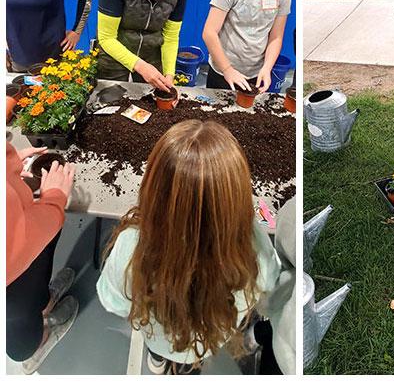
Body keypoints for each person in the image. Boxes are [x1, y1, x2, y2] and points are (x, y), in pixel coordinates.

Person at [97, 120, 281, 375]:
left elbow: (114, 301)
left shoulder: (130, 244)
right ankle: (184, 367)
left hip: (157, 336)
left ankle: (159, 360)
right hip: (208, 339)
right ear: (236, 194)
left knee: (161, 350)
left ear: (154, 187)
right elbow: (269, 281)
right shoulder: (254, 244)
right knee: (191, 359)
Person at [6, 140, 77, 374]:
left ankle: (43, 303)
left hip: (16, 256)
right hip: (8, 269)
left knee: (34, 271)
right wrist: (53, 200)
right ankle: (33, 347)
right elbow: (14, 243)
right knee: (16, 316)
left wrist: (9, 162)